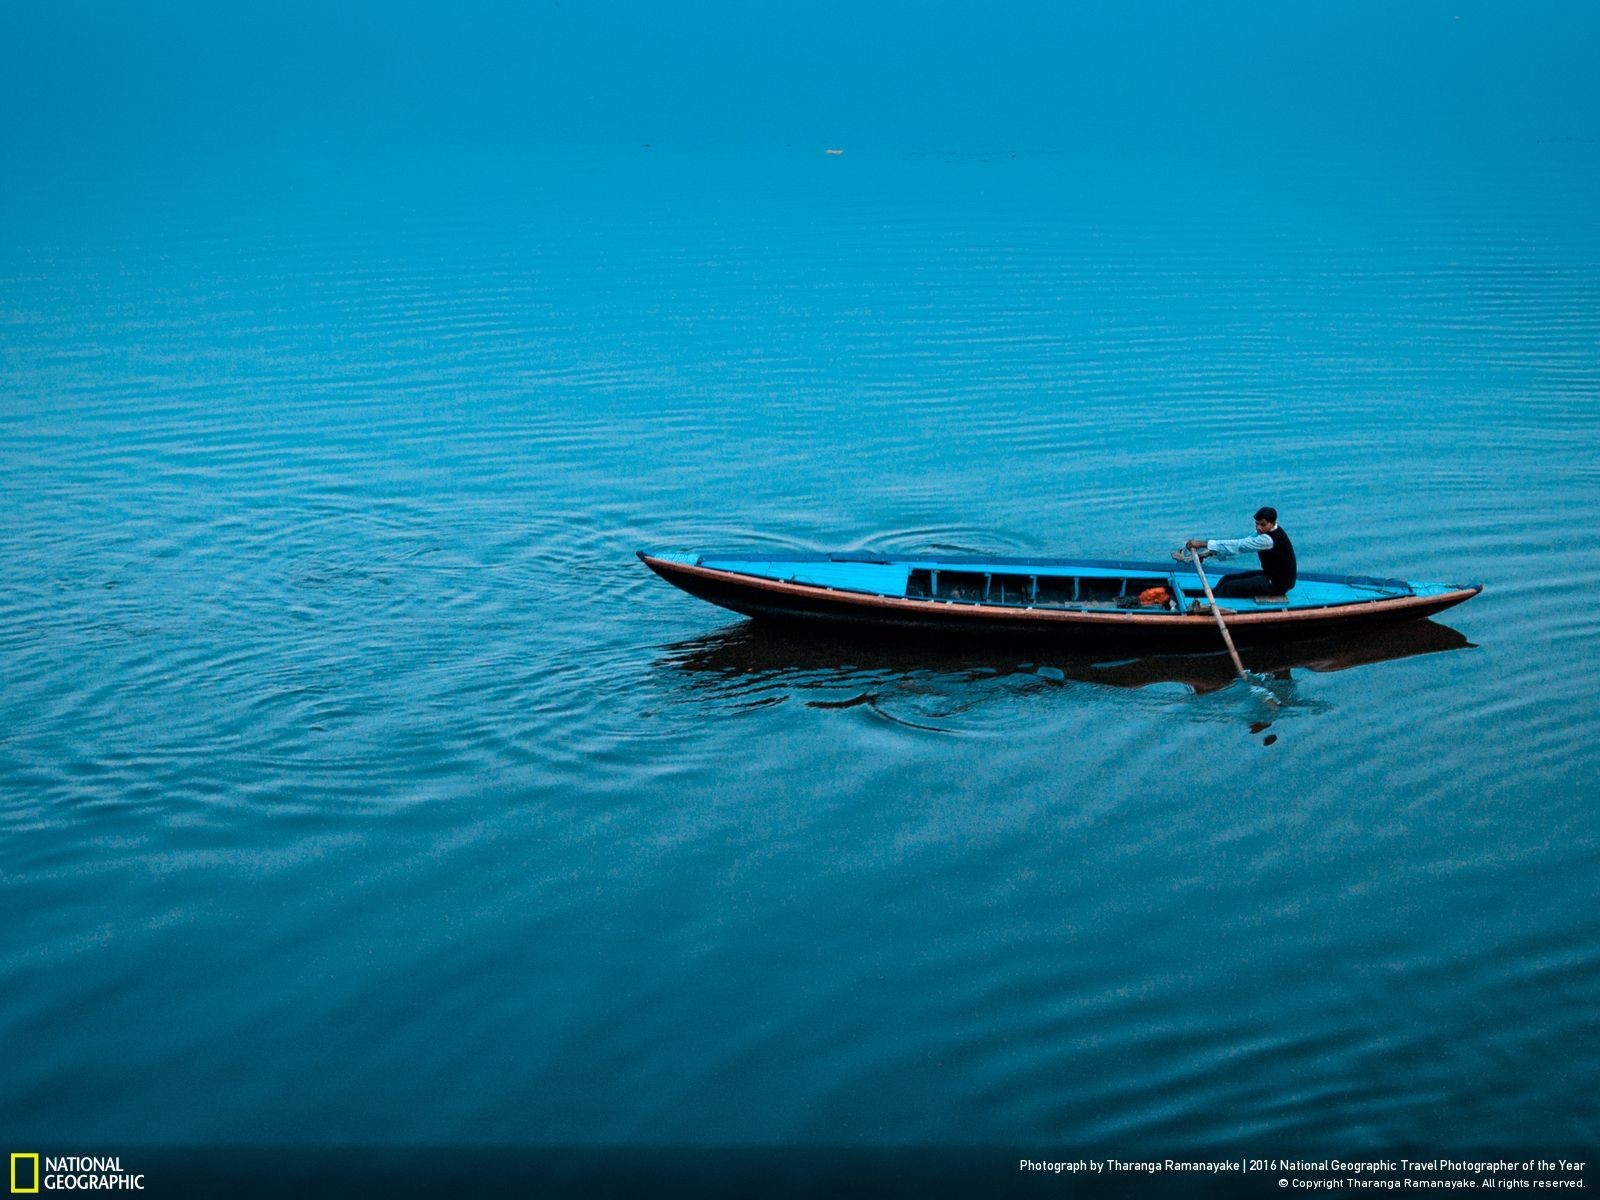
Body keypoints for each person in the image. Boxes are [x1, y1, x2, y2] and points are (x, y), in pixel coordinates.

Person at [1174, 506, 1296, 598]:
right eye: (1257, 524)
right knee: (1226, 579)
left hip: (1277, 584)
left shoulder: (1267, 540)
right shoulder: (1264, 532)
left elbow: (1238, 546)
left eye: (1262, 525)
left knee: (1229, 587)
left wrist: (1202, 544)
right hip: (1270, 575)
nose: (1258, 527)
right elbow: (1242, 544)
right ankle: (1207, 597)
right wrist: (1209, 553)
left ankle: (1211, 604)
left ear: (1272, 523)